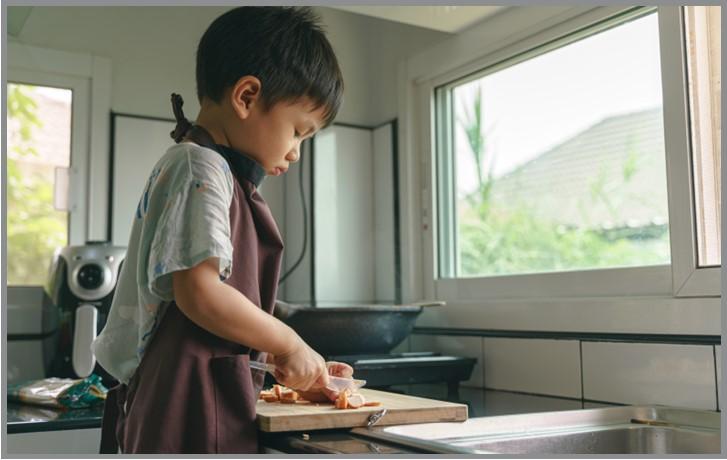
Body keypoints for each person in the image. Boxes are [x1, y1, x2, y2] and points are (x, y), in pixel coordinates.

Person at [92, 6, 347, 453]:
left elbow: (222, 309)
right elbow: (200, 294)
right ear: (246, 97)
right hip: (180, 404)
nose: (296, 153)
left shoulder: (213, 172)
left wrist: (288, 364)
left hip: (198, 398)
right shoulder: (200, 166)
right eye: (298, 131)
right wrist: (287, 343)